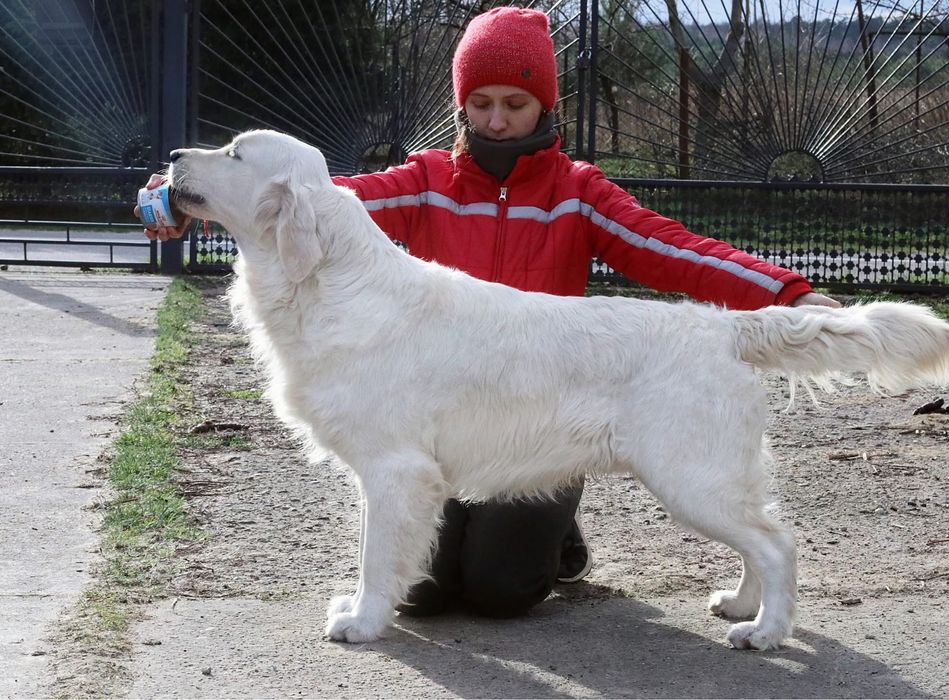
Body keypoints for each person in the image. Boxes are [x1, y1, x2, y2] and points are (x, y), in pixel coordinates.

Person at [139, 6, 839, 621]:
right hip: (447, 419)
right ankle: (493, 533)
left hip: (544, 420)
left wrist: (784, 293)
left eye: (514, 102)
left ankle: (553, 533)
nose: (496, 119)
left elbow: (669, 249)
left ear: (544, 107)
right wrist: (188, 196)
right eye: (480, 103)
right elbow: (316, 199)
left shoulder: (578, 191)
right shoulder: (424, 182)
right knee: (423, 595)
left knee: (499, 592)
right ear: (461, 106)